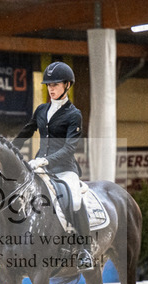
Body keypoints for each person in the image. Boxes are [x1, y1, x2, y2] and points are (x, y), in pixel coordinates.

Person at [12, 61, 93, 271]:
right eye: (49, 85)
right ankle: (14, 250)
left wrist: (46, 160)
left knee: (75, 200)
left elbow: (70, 147)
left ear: (67, 85)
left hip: (65, 169)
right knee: (18, 197)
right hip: (39, 169)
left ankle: (85, 250)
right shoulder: (41, 110)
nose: (51, 88)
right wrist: (9, 150)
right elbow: (26, 132)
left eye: (55, 84)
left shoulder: (74, 114)